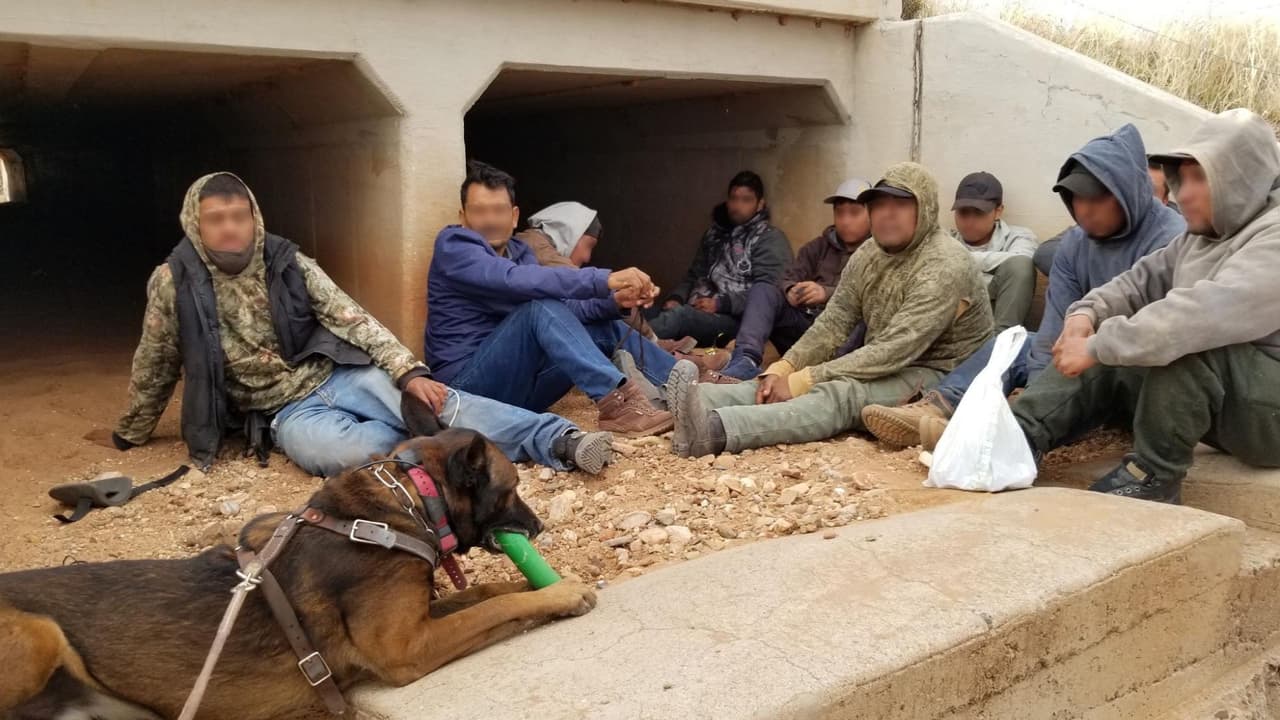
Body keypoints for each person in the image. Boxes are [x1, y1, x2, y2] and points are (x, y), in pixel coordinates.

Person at [106, 172, 614, 477]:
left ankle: (559, 441)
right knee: (346, 453)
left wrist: (408, 372)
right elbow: (156, 361)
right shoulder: (172, 282)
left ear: (253, 217)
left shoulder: (286, 262)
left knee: (438, 403)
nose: (230, 227)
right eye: (217, 218)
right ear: (196, 222)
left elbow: (353, 319)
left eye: (239, 215)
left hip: (340, 375)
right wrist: (132, 431)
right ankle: (441, 460)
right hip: (286, 413)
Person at [860, 124, 1186, 449]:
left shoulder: (1171, 239)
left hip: (1136, 369)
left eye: (1096, 198)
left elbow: (1160, 333)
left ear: (1126, 191)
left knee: (1089, 366)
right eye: (1076, 197)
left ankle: (993, 435)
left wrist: (1050, 392)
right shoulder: (1074, 244)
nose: (1084, 209)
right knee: (1014, 341)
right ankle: (939, 407)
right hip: (1076, 356)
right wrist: (1037, 389)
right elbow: (1052, 331)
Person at [1013, 108, 1280, 504]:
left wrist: (1096, 347)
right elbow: (1138, 281)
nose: (1182, 193)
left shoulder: (1273, 237)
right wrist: (1087, 314)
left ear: (1240, 177)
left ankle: (1152, 476)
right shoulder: (1201, 236)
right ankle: (1016, 435)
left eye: (1199, 177)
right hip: (1232, 405)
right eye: (1182, 179)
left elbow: (1199, 316)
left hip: (1269, 416)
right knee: (1117, 341)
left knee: (1183, 344)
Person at [665, 162, 993, 457]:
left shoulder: (944, 264)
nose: (887, 214)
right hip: (890, 359)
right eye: (879, 205)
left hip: (942, 375)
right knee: (783, 378)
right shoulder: (869, 254)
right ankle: (691, 402)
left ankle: (717, 430)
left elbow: (896, 348)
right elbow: (833, 323)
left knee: (840, 392)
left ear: (926, 209)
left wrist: (807, 377)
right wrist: (786, 366)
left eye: (901, 205)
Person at [424, 161, 679, 437]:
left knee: (601, 326)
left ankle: (679, 386)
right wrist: (603, 280)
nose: (490, 220)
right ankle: (619, 405)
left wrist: (616, 301)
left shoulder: (519, 251)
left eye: (498, 211)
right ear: (463, 217)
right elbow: (512, 280)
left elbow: (565, 311)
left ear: (513, 216)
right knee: (538, 307)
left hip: (519, 390)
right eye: (479, 211)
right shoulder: (454, 245)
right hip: (468, 392)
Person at [697, 178, 873, 382]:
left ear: (871, 215)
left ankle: (831, 376)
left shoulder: (877, 252)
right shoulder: (819, 246)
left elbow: (870, 296)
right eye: (839, 212)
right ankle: (745, 360)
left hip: (843, 340)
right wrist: (791, 290)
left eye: (854, 213)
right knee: (764, 289)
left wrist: (826, 293)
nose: (845, 220)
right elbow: (787, 276)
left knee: (862, 321)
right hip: (805, 330)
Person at [650, 171, 792, 348]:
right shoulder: (715, 234)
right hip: (695, 306)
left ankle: (627, 346)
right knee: (646, 313)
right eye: (734, 198)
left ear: (760, 204)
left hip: (735, 319)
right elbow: (695, 274)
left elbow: (770, 294)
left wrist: (720, 304)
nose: (737, 205)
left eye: (746, 200)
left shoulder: (769, 239)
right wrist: (677, 297)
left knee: (679, 318)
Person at [1034, 153, 1182, 276]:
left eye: (1151, 191)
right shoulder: (1109, 220)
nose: (1141, 196)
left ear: (1165, 200)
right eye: (1136, 189)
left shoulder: (1177, 233)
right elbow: (1045, 253)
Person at [950, 171, 1038, 331]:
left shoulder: (1018, 236)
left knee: (1019, 266)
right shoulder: (945, 240)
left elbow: (1023, 263)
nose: (969, 221)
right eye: (963, 212)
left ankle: (1000, 347)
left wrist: (956, 260)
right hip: (952, 329)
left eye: (978, 213)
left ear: (998, 211)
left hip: (994, 325)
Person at [517, 201, 602, 269]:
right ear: (569, 233)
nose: (587, 258)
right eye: (588, 245)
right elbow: (572, 278)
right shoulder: (533, 245)